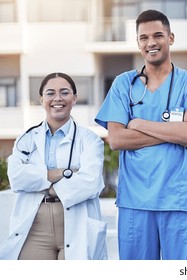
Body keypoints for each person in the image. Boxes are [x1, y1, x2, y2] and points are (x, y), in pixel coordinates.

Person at [95, 10, 187, 260]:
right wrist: (174, 133)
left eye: (158, 35)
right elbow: (117, 140)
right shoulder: (123, 84)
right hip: (135, 202)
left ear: (171, 37)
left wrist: (137, 123)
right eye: (144, 38)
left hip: (180, 200)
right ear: (138, 43)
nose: (151, 42)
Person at [0, 72, 107, 260]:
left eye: (64, 92)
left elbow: (91, 182)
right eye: (50, 93)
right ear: (41, 99)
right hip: (35, 227)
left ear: (74, 98)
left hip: (76, 223)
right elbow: (16, 178)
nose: (58, 98)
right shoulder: (26, 139)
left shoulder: (90, 140)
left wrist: (40, 182)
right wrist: (61, 173)